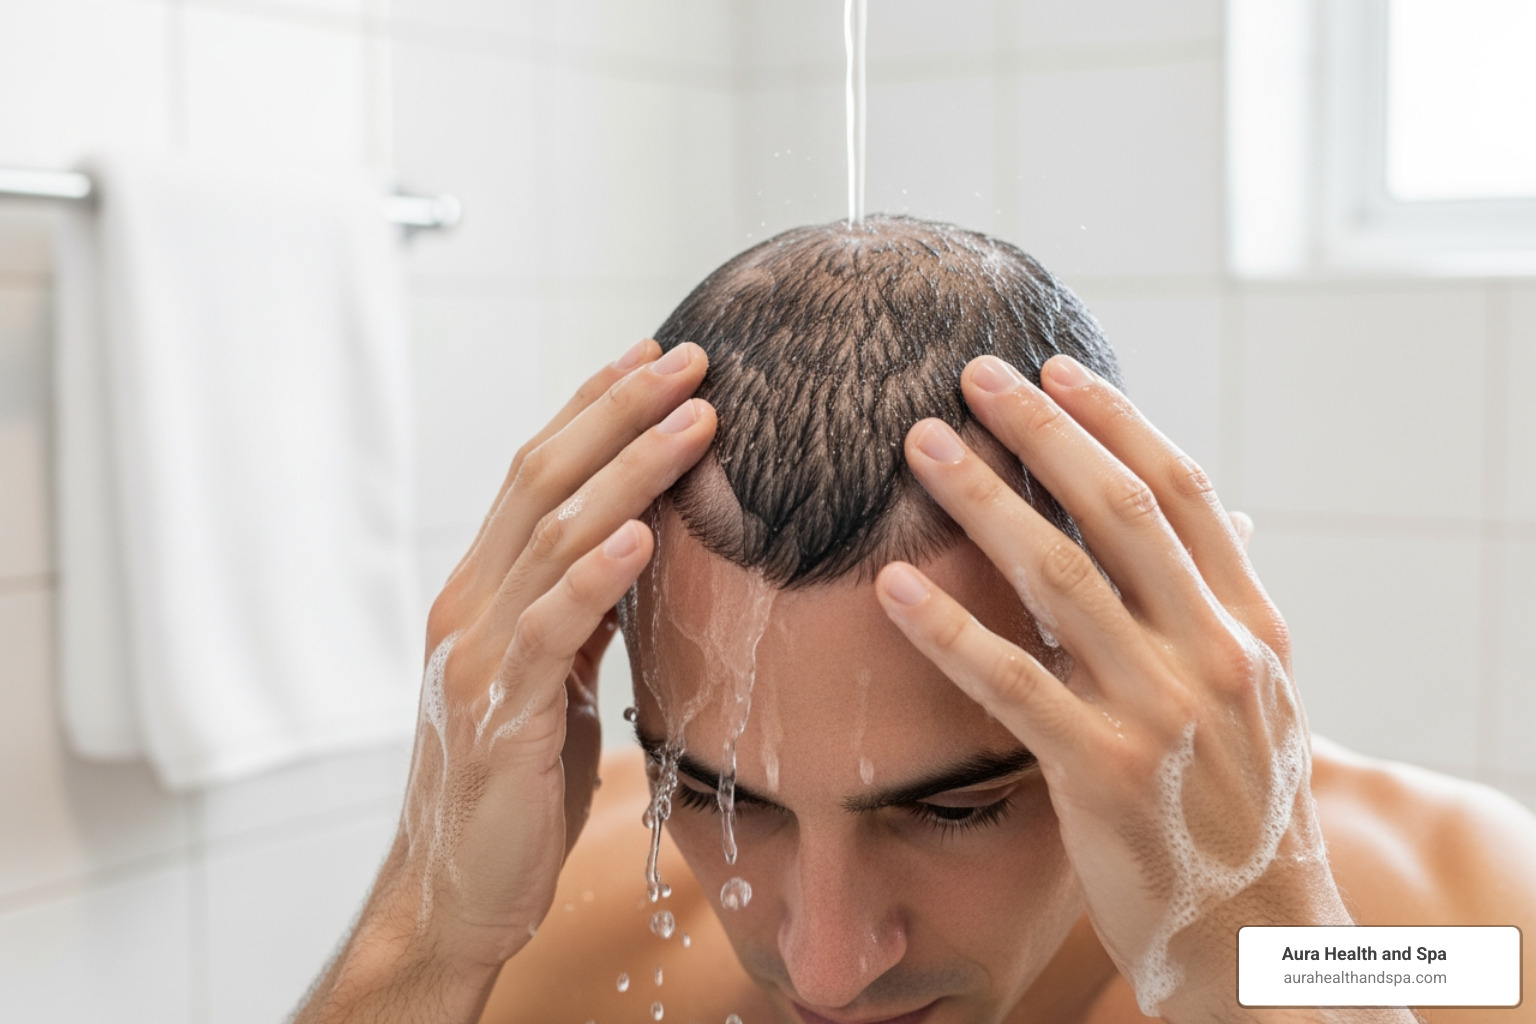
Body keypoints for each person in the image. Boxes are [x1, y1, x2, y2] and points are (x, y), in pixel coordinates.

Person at [294, 217, 1536, 1024]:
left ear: (1137, 660)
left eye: (955, 807)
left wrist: (1249, 941)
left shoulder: (1444, 935)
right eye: (728, 799)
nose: (828, 965)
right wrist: (423, 932)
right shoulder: (550, 916)